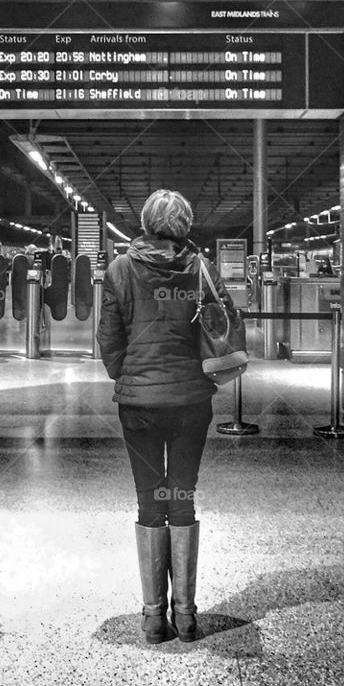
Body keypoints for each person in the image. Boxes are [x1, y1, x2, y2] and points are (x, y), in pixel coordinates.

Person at [97, 189, 241, 645]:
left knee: (148, 498)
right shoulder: (200, 267)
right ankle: (187, 616)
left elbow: (109, 338)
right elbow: (222, 324)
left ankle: (153, 617)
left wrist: (131, 377)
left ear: (145, 222)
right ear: (184, 225)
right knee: (181, 495)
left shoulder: (120, 269)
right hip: (191, 400)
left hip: (138, 405)